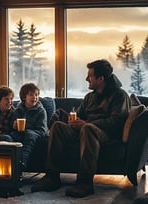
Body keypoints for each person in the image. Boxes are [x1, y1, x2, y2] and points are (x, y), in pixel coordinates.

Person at [31, 59, 131, 198]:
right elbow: (79, 115)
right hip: (86, 130)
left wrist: (86, 123)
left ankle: (85, 183)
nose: (86, 79)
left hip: (107, 134)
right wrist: (68, 119)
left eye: (90, 76)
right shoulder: (90, 97)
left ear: (101, 78)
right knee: (58, 127)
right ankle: (51, 177)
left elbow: (117, 122)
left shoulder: (120, 96)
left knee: (88, 128)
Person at [10, 83, 48, 170]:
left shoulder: (41, 111)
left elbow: (42, 130)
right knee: (9, 136)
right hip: (20, 132)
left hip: (36, 133)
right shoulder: (18, 110)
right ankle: (7, 163)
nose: (34, 97)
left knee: (30, 135)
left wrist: (27, 129)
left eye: (36, 95)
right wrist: (14, 126)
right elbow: (12, 125)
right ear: (24, 97)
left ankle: (22, 162)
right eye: (31, 95)